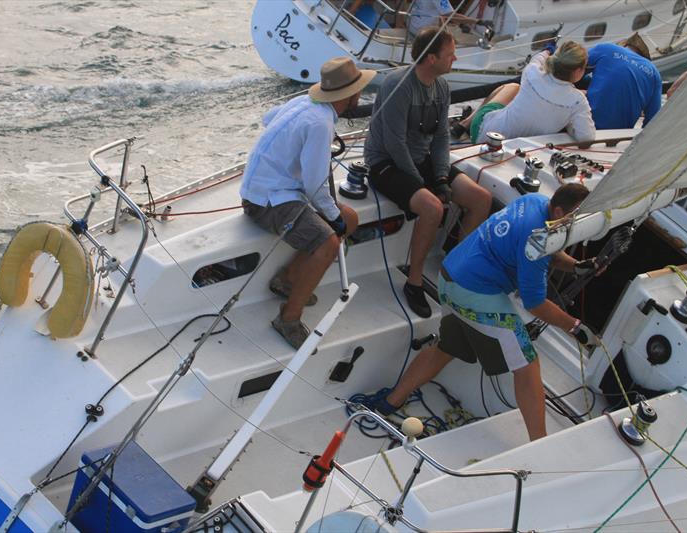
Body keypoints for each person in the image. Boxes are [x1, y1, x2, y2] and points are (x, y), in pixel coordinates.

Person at [368, 184, 602, 441]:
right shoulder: (538, 239)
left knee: (447, 348)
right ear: (558, 210)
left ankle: (389, 403)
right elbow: (534, 303)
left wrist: (578, 267)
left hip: (450, 277)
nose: (576, 226)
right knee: (527, 363)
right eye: (574, 219)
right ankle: (540, 443)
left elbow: (551, 253)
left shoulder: (535, 201)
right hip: (474, 293)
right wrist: (576, 327)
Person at [240, 57, 373, 349]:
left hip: (271, 191)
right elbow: (315, 186)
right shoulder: (321, 123)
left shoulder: (304, 104)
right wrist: (332, 218)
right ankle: (288, 318)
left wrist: (337, 217)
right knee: (329, 243)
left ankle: (287, 280)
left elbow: (268, 118)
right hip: (267, 202)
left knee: (349, 219)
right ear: (350, 95)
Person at [364, 27, 492, 319]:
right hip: (385, 161)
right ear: (431, 58)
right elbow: (394, 143)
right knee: (432, 208)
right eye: (450, 54)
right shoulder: (399, 85)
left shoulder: (442, 87)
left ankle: (455, 272)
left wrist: (442, 177)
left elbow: (441, 138)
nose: (455, 58)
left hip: (421, 158)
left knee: (480, 199)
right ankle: (415, 280)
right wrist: (425, 184)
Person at [452, 40, 595, 145]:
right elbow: (586, 137)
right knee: (514, 87)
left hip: (484, 135)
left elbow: (537, 59)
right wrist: (570, 120)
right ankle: (465, 123)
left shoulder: (532, 74)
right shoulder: (578, 101)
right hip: (517, 149)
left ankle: (465, 124)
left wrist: (547, 51)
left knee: (513, 87)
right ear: (577, 71)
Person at [585, 33, 662, 129]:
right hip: (619, 133)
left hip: (587, 124)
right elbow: (653, 119)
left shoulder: (606, 48)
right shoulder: (654, 72)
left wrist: (590, 84)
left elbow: (571, 69)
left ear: (624, 46)